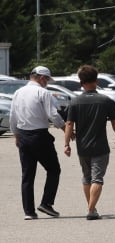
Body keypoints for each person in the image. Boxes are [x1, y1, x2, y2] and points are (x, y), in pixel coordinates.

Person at [64, 64, 115, 220]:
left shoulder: (75, 102)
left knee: (86, 177)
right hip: (101, 146)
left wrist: (66, 144)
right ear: (96, 81)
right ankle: (91, 210)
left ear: (81, 82)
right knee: (97, 178)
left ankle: (92, 208)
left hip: (82, 147)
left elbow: (69, 124)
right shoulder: (106, 101)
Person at [10, 66, 67, 220]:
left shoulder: (18, 93)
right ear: (42, 78)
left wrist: (16, 135)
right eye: (47, 80)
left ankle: (28, 211)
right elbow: (53, 114)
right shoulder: (43, 92)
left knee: (27, 175)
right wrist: (65, 129)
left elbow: (13, 116)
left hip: (23, 135)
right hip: (40, 136)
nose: (47, 83)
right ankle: (46, 203)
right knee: (54, 169)